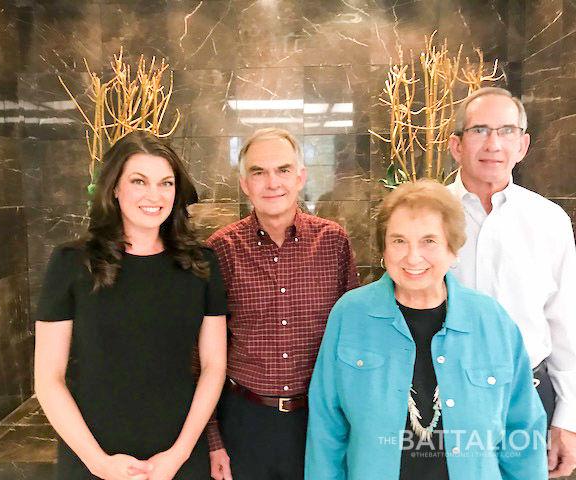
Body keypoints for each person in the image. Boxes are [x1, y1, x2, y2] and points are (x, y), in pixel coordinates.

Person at [305, 179, 548, 479]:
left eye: (429, 241)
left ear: (453, 248)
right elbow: (326, 430)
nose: (413, 257)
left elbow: (523, 431)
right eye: (399, 240)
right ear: (384, 248)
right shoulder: (350, 315)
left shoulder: (492, 321)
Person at [34, 131, 227, 480]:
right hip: (92, 453)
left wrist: (179, 454)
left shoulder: (202, 264)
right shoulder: (71, 263)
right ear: (115, 188)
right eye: (139, 181)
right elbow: (48, 379)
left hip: (178, 453)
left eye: (166, 183)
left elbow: (214, 367)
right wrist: (98, 462)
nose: (155, 195)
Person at [205, 128, 359, 480]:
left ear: (301, 177)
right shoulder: (221, 250)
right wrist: (213, 440)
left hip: (318, 419)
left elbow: (352, 339)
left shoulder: (332, 242)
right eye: (259, 172)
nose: (272, 182)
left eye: (284, 170)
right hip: (245, 421)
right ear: (245, 183)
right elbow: (202, 354)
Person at [447, 87, 576, 478]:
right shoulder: (428, 212)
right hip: (447, 394)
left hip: (529, 394)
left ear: (523, 145)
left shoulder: (549, 220)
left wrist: (568, 418)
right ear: (456, 145)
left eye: (506, 131)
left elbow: (565, 321)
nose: (493, 144)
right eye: (480, 130)